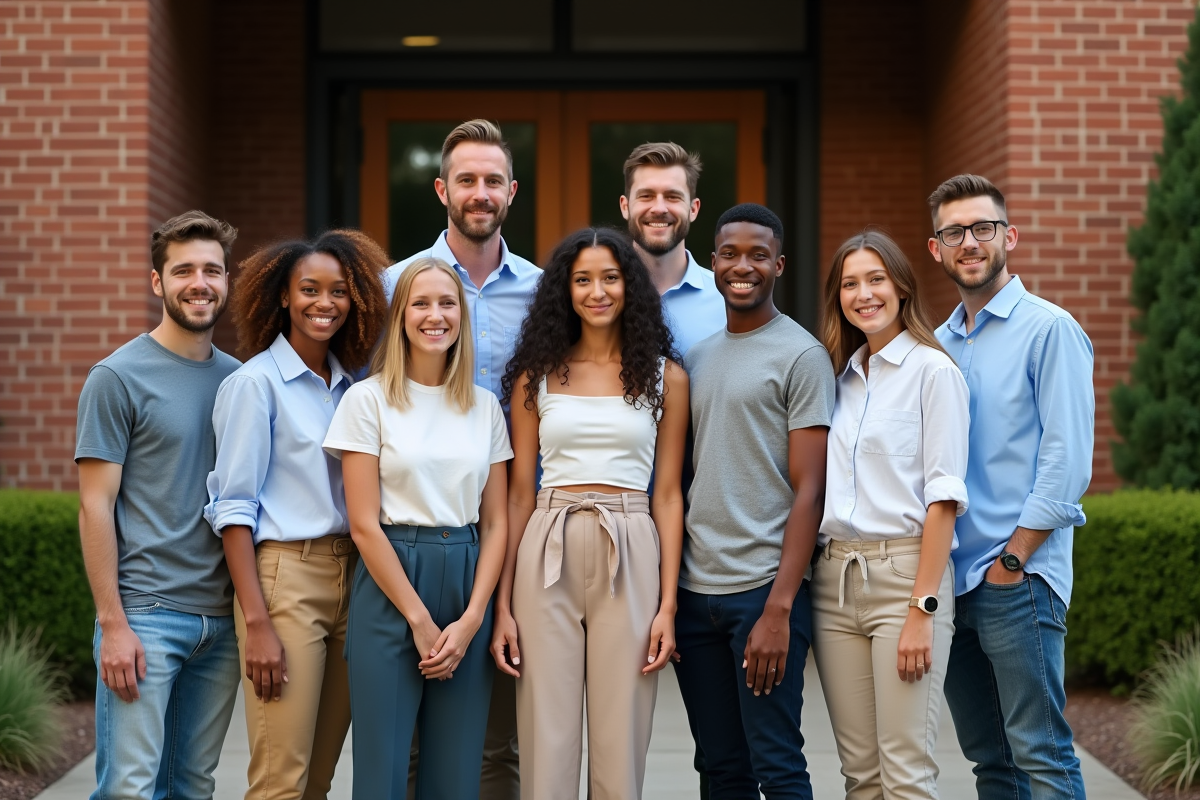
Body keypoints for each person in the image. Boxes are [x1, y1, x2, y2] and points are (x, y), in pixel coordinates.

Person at [493, 227, 688, 800]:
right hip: (546, 542)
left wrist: (668, 606)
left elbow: (669, 494)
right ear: (564, 290)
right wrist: (503, 604)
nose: (597, 291)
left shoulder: (665, 378)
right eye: (582, 279)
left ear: (630, 286)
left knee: (621, 735)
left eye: (610, 278)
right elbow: (518, 494)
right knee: (545, 737)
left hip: (631, 543)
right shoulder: (537, 375)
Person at [383, 120, 539, 797]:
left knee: (496, 738)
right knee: (409, 743)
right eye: (466, 180)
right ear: (443, 189)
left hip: (511, 523)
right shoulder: (394, 285)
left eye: (492, 181)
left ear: (512, 191)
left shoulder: (543, 293)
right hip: (412, 527)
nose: (480, 193)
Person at [204, 230, 389, 800]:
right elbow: (234, 510)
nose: (324, 303)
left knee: (319, 778)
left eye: (338, 291)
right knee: (281, 779)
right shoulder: (254, 385)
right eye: (309, 289)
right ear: (283, 296)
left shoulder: (352, 388)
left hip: (353, 580)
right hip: (286, 582)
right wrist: (257, 621)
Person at [928, 174, 1094, 799]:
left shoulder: (1049, 330)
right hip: (953, 584)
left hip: (1015, 580)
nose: (969, 242)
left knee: (1043, 754)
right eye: (954, 232)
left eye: (982, 228)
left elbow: (1067, 460)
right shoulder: (936, 345)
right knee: (990, 761)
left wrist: (1013, 558)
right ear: (936, 248)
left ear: (1009, 237)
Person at [324, 257, 511, 799]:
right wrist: (419, 620)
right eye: (421, 303)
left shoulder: (485, 407)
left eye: (447, 303)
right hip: (391, 582)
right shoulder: (368, 400)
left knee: (455, 776)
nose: (436, 315)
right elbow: (363, 524)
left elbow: (496, 522)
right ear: (401, 315)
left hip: (467, 581)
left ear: (462, 316)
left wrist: (474, 617)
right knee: (381, 772)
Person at [75, 210, 241, 799]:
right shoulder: (116, 377)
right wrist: (113, 624)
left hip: (220, 623)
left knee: (192, 786)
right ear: (157, 282)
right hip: (145, 615)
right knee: (129, 787)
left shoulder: (240, 381)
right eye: (184, 270)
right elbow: (96, 507)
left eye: (212, 270)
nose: (200, 282)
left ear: (228, 281)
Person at [674, 203, 834, 800]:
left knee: (776, 763)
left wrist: (779, 609)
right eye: (731, 254)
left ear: (779, 265)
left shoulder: (801, 356)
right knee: (718, 767)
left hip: (761, 593)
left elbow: (810, 490)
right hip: (696, 597)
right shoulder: (698, 357)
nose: (744, 266)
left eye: (758, 255)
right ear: (713, 262)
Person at [813, 229, 969, 799]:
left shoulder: (934, 373)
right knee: (861, 774)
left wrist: (922, 609)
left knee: (906, 771)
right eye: (850, 284)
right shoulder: (837, 379)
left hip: (905, 578)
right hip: (835, 583)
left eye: (875, 279)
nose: (864, 294)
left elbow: (944, 497)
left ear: (901, 287)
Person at [620, 141, 726, 356]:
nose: (659, 208)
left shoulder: (726, 301)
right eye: (646, 196)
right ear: (625, 207)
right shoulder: (597, 297)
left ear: (693, 209)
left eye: (672, 197)